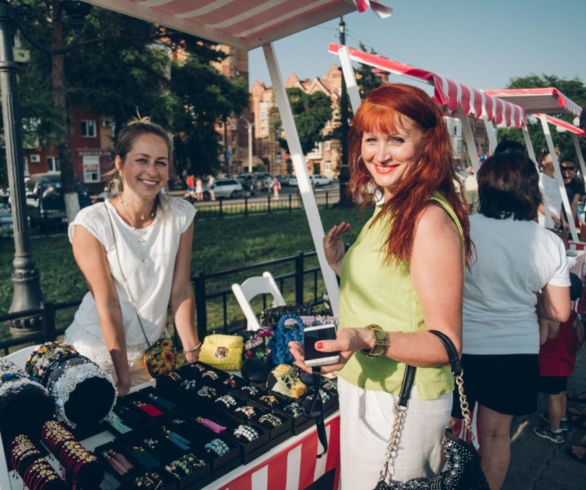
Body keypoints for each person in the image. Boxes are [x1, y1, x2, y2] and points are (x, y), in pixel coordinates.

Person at [289, 83, 472, 488]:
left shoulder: (428, 219)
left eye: (397, 139)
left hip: (401, 401)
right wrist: (343, 265)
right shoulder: (391, 204)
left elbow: (447, 343)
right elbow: (396, 293)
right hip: (366, 388)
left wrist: (365, 338)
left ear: (428, 143)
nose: (380, 154)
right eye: (371, 139)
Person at [64, 118, 201, 395]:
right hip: (99, 351)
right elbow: (108, 304)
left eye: (161, 162)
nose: (152, 171)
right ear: (120, 164)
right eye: (142, 160)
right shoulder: (90, 223)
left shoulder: (181, 215)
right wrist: (123, 380)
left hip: (152, 352)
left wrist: (192, 354)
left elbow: (181, 289)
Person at [459, 151, 570, 489]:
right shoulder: (549, 242)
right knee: (496, 435)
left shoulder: (464, 229)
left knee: (446, 429)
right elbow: (560, 312)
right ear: (530, 190)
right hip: (515, 350)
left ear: (485, 187)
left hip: (460, 345)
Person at [533, 273, 584, 444]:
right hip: (566, 363)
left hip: (550, 365)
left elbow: (541, 341)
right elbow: (580, 338)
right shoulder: (574, 315)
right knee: (561, 393)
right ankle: (562, 420)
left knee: (552, 397)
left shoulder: (549, 316)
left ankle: (554, 430)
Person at [538, 151, 565, 230]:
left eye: (557, 160)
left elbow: (558, 203)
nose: (556, 162)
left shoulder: (557, 180)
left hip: (556, 223)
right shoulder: (539, 179)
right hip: (544, 223)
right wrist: (554, 217)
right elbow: (538, 204)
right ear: (543, 162)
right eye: (553, 159)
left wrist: (563, 221)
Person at [560, 158, 584, 226]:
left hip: (569, 216)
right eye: (564, 168)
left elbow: (575, 203)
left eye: (571, 168)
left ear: (575, 169)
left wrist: (571, 223)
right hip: (555, 216)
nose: (567, 171)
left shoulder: (578, 183)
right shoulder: (556, 182)